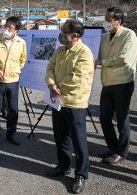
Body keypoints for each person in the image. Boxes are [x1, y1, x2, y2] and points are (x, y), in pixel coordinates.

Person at [45, 20, 94, 194]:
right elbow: (49, 68)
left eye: (64, 33)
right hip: (58, 102)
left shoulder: (84, 53)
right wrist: (51, 84)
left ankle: (81, 174)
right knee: (61, 137)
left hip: (75, 103)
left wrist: (56, 87)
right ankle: (63, 166)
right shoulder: (60, 50)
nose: (61, 35)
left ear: (75, 36)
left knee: (79, 141)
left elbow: (77, 79)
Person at [95, 7, 137, 164]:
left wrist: (102, 62)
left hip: (123, 82)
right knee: (104, 118)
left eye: (108, 19)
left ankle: (122, 151)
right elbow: (97, 55)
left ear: (118, 21)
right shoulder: (105, 37)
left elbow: (125, 59)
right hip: (107, 82)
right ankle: (113, 147)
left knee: (122, 119)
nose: (105, 22)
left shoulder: (129, 35)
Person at [0, 16, 27, 149]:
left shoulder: (21, 43)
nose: (7, 30)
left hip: (13, 81)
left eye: (10, 28)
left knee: (13, 109)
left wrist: (16, 70)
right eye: (6, 27)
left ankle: (11, 133)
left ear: (17, 30)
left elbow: (23, 59)